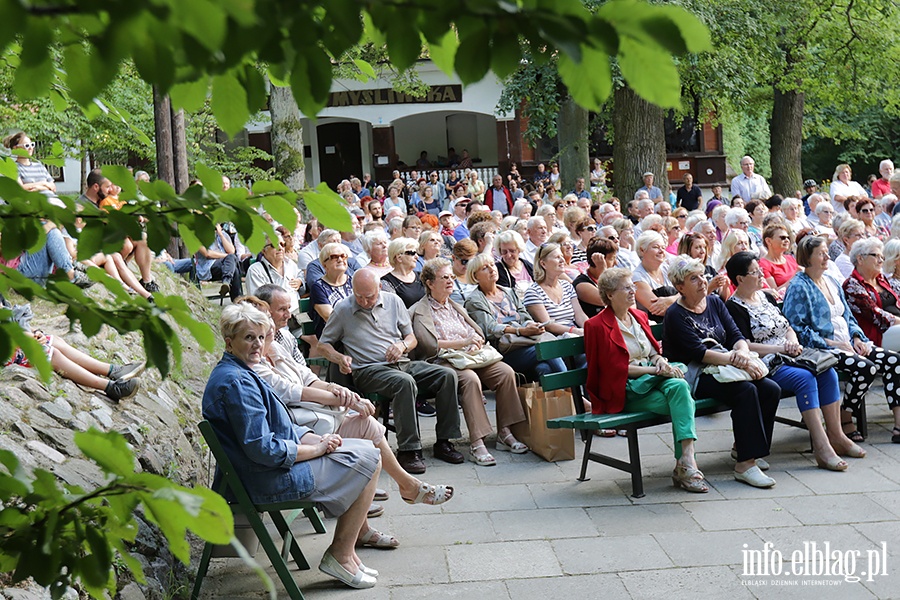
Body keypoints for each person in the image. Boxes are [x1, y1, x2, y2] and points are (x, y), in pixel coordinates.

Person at [203, 303, 383, 589]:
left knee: (367, 453)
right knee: (369, 460)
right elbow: (264, 450)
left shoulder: (241, 371)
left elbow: (280, 426)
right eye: (249, 338)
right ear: (229, 341)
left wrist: (316, 439)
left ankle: (346, 552)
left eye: (261, 337)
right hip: (266, 480)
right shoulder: (237, 382)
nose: (258, 345)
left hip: (266, 470)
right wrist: (317, 449)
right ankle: (341, 555)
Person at [317, 269, 465, 474]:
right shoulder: (343, 309)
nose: (364, 301)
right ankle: (408, 450)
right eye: (358, 296)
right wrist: (339, 358)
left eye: (369, 296)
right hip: (368, 370)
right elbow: (323, 345)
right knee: (403, 382)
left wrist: (402, 346)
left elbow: (411, 338)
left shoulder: (393, 301)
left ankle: (444, 442)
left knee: (446, 375)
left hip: (401, 363)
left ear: (379, 288)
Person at [725, 252, 859, 470]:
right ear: (740, 279)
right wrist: (780, 348)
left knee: (827, 372)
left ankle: (836, 436)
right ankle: (821, 446)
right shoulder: (734, 307)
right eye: (755, 271)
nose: (761, 274)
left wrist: (792, 341)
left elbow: (787, 326)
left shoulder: (766, 297)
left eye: (760, 269)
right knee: (805, 378)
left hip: (792, 354)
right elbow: (743, 344)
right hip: (767, 360)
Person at [662, 256, 781, 488]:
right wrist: (739, 362)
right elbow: (699, 353)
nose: (702, 282)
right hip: (695, 375)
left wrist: (743, 353)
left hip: (725, 366)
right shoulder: (675, 315)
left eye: (702, 276)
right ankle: (745, 465)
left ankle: (747, 450)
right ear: (680, 287)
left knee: (770, 388)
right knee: (745, 391)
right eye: (693, 279)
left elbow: (736, 335)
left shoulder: (715, 302)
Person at [585, 268, 706, 492]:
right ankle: (686, 467)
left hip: (653, 381)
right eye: (627, 287)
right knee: (682, 399)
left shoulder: (639, 316)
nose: (633, 291)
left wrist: (659, 360)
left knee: (679, 386)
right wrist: (654, 371)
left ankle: (687, 462)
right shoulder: (596, 325)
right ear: (610, 294)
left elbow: (653, 352)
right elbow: (611, 370)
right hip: (625, 390)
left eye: (633, 286)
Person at [410, 258, 528, 465]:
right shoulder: (420, 310)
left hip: (470, 356)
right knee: (470, 380)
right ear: (429, 283)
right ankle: (477, 442)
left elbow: (477, 331)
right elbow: (430, 345)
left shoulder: (456, 304)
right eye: (444, 277)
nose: (450, 281)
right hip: (444, 361)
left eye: (451, 277)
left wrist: (476, 342)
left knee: (505, 372)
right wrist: (463, 342)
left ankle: (505, 432)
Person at [784, 235, 900, 445]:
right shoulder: (799, 286)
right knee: (866, 368)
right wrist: (833, 344)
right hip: (824, 348)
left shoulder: (831, 280)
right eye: (821, 253)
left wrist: (857, 337)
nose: (827, 256)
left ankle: (896, 424)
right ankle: (845, 418)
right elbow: (797, 328)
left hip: (848, 342)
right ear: (808, 258)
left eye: (827, 252)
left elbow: (848, 316)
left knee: (894, 361)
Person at [842, 237, 900, 351]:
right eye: (876, 256)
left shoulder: (881, 279)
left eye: (882, 257)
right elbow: (876, 316)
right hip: (877, 334)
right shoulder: (852, 285)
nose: (881, 260)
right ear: (860, 259)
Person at [524, 242, 588, 341]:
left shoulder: (567, 286)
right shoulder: (533, 292)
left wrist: (589, 328)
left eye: (562, 256)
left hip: (576, 335)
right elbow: (549, 325)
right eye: (557, 257)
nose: (562, 260)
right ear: (543, 264)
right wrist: (576, 331)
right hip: (555, 341)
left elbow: (579, 314)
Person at [309, 243, 354, 338]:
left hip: (356, 331)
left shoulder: (354, 281)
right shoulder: (318, 287)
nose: (340, 260)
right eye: (334, 257)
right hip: (334, 337)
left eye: (343, 256)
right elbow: (330, 318)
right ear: (324, 265)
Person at [633, 231, 679, 322]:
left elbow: (690, 293)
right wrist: (683, 298)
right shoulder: (637, 277)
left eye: (663, 247)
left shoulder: (668, 268)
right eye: (656, 247)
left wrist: (671, 300)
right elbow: (658, 310)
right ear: (642, 250)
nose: (662, 251)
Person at [573, 237, 617, 318]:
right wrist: (603, 271)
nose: (615, 263)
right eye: (611, 259)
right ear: (597, 260)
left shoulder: (614, 277)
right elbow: (607, 300)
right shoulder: (581, 284)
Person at [380, 238, 426, 308]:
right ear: (399, 258)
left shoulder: (422, 276)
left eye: (416, 253)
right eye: (412, 253)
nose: (417, 257)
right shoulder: (386, 282)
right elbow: (392, 309)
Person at [759, 224, 798, 296]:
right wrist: (796, 276)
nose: (786, 240)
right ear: (768, 241)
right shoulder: (763, 264)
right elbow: (774, 293)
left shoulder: (791, 258)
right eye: (782, 238)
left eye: (787, 238)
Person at [493, 230, 533, 298]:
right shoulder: (497, 271)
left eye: (512, 251)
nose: (508, 255)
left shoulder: (529, 266)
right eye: (504, 252)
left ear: (519, 249)